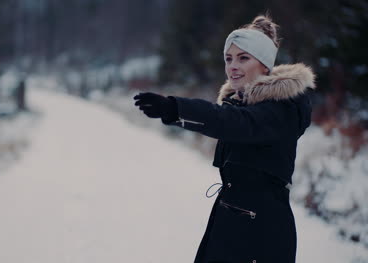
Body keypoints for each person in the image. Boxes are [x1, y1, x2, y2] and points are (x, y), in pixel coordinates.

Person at [134, 15, 315, 263]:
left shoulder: (281, 110)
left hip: (261, 231)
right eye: (228, 58)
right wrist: (175, 113)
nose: (233, 66)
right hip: (230, 222)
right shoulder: (245, 105)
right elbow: (228, 119)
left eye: (243, 58)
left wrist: (175, 108)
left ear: (264, 65)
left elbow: (230, 122)